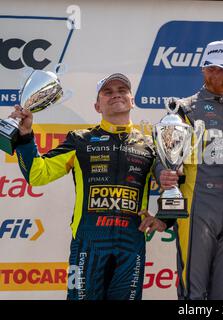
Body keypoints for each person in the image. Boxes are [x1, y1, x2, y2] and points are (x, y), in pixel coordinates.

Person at [10, 73, 173, 300]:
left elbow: (172, 183)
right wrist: (26, 136)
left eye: (122, 90)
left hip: (130, 246)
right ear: (97, 106)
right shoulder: (80, 140)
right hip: (88, 243)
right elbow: (38, 175)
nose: (116, 94)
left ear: (132, 100)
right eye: (108, 92)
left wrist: (166, 218)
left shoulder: (150, 146)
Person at [157, 40, 223, 299]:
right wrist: (163, 174)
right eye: (211, 68)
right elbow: (162, 156)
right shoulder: (183, 109)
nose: (216, 74)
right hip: (197, 207)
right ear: (202, 69)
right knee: (194, 292)